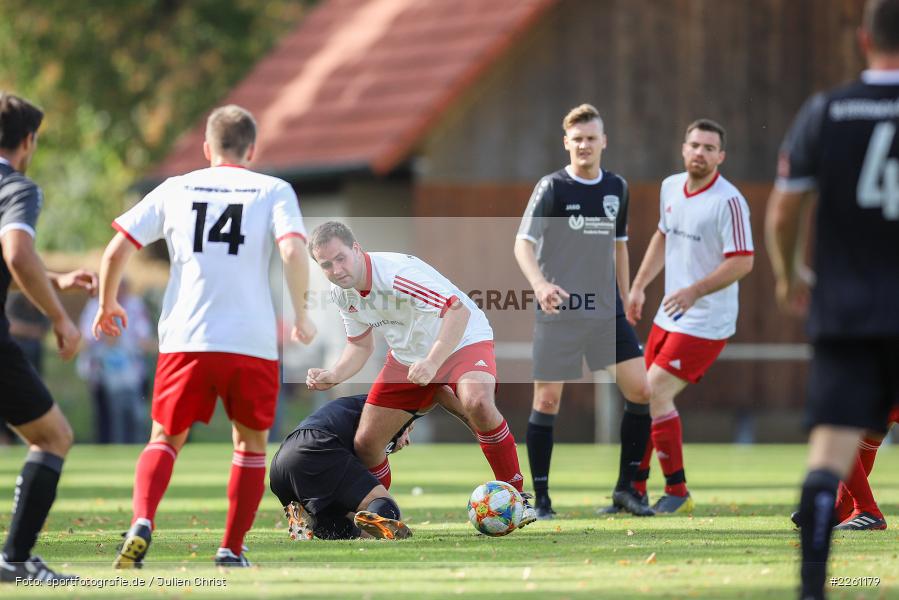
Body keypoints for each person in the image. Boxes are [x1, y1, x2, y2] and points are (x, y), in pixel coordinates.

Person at [94, 104, 316, 569]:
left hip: (185, 337)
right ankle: (230, 550)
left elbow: (117, 249)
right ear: (251, 149)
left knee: (165, 438)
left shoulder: (175, 188)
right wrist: (302, 311)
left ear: (206, 148)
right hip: (250, 340)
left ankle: (142, 520)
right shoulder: (273, 190)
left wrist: (107, 303)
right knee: (250, 444)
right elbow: (293, 250)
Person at [765, 1, 899, 596]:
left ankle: (815, 588)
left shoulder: (826, 110)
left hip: (847, 309)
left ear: (864, 37)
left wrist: (789, 273)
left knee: (828, 456)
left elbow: (784, 211)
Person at [305, 221, 536, 526]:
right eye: (326, 265)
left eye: (340, 258)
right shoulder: (341, 293)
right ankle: (379, 515)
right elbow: (359, 346)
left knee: (478, 403)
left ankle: (518, 500)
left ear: (357, 250)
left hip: (462, 339)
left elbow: (458, 310)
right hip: (408, 358)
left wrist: (432, 361)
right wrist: (334, 374)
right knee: (367, 443)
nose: (336, 269)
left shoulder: (396, 275)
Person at [513, 103, 652, 519]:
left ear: (603, 141)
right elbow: (522, 244)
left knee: (641, 391)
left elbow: (620, 245)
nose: (585, 145)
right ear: (566, 143)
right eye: (577, 139)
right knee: (549, 400)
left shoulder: (617, 188)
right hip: (560, 313)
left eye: (592, 138)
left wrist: (627, 297)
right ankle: (541, 500)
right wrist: (539, 285)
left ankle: (627, 491)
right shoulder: (552, 187)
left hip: (607, 312)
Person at [627, 119, 754, 514]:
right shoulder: (670, 187)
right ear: (683, 148)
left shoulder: (728, 201)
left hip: (706, 321)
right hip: (670, 315)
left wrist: (694, 290)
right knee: (640, 395)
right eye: (694, 145)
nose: (699, 152)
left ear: (721, 156)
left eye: (708, 147)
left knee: (654, 392)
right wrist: (639, 285)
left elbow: (743, 261)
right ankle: (632, 491)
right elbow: (662, 237)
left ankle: (678, 491)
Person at [0, 92, 97, 582]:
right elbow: (16, 253)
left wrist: (54, 278)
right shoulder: (16, 186)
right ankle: (15, 559)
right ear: (29, 141)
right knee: (53, 435)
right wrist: (61, 316)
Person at [270, 386, 471, 541]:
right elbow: (436, 389)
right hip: (315, 448)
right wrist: (477, 419)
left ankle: (308, 520)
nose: (408, 440)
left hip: (281, 464)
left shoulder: (362, 411)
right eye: (409, 430)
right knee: (388, 509)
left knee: (340, 527)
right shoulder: (387, 409)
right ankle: (375, 524)